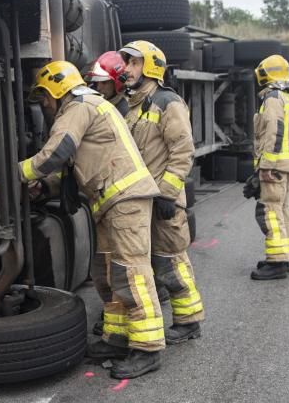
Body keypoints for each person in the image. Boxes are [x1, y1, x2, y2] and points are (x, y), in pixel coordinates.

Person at [19, 60, 164, 379]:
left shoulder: (80, 105)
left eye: (44, 96)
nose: (43, 105)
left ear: (57, 88)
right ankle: (117, 337)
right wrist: (44, 185)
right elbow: (71, 169)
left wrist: (16, 172)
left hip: (124, 198)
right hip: (110, 201)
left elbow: (55, 154)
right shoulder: (85, 107)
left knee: (131, 272)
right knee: (107, 272)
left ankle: (148, 346)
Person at [86, 48, 205, 344]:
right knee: (139, 267)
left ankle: (189, 320)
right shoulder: (131, 105)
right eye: (125, 62)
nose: (126, 68)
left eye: (133, 62)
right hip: (139, 201)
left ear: (151, 67)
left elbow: (183, 152)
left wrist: (167, 194)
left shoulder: (169, 103)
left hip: (164, 201)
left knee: (170, 263)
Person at [242, 54, 289, 280]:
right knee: (282, 210)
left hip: (275, 166)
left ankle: (277, 263)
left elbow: (274, 133)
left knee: (270, 212)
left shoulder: (272, 99)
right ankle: (283, 257)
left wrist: (265, 166)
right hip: (287, 165)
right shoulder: (288, 99)